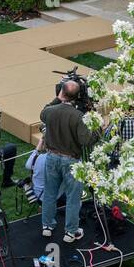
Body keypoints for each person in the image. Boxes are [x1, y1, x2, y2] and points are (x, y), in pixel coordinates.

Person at [40, 79, 98, 243]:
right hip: (71, 161)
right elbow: (87, 140)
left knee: (50, 193)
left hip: (51, 157)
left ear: (61, 92)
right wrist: (97, 128)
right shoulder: (78, 116)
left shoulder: (50, 111)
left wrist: (58, 98)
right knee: (73, 197)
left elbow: (43, 113)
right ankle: (70, 232)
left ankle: (47, 226)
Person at [24, 136, 49, 203]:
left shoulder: (37, 158)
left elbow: (28, 166)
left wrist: (39, 146)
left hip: (38, 195)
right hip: (54, 196)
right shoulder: (61, 159)